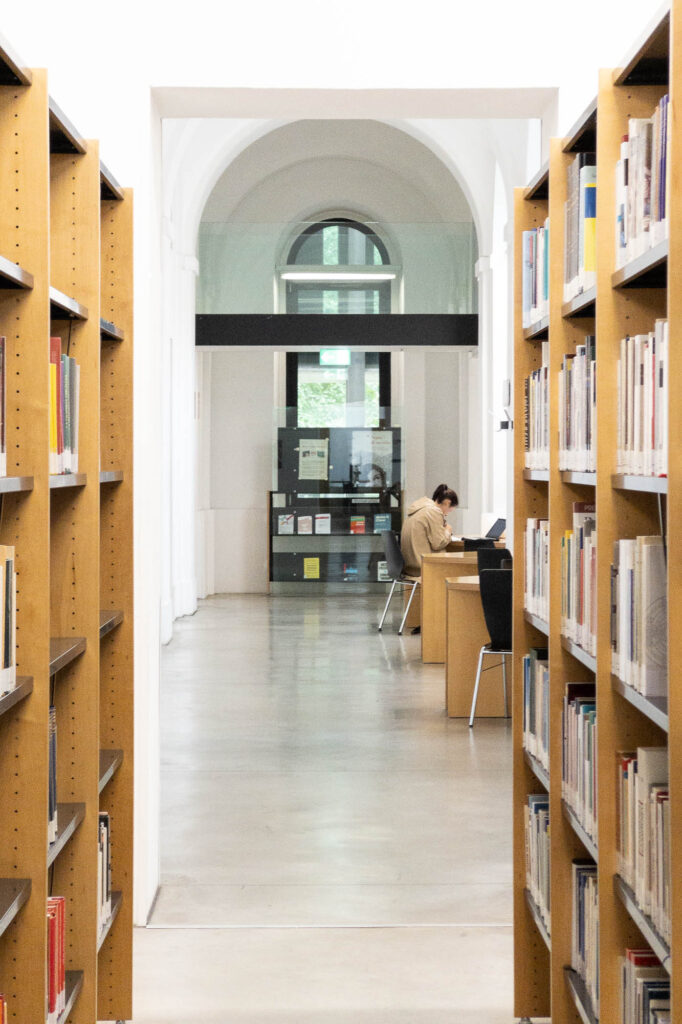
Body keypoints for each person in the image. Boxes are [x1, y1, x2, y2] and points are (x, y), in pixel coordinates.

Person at [400, 484, 459, 578]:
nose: (446, 514)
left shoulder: (418, 510)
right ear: (447, 502)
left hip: (410, 566)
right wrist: (448, 530)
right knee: (463, 568)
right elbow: (438, 543)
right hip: (424, 566)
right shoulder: (434, 511)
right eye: (449, 511)